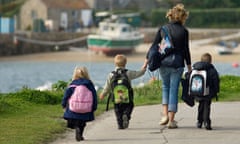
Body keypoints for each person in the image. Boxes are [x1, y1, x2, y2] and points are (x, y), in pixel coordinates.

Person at [143, 3, 192, 129]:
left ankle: (164, 115)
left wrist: (146, 61)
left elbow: (154, 46)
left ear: (170, 16)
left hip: (163, 63)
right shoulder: (184, 31)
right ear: (182, 17)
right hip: (177, 64)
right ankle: (171, 120)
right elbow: (186, 50)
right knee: (174, 90)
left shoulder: (163, 29)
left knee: (165, 87)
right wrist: (189, 66)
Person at [99, 54, 146, 129]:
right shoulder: (128, 73)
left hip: (116, 98)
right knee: (130, 106)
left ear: (115, 63)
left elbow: (107, 87)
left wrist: (102, 94)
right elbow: (139, 73)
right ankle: (126, 115)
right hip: (127, 97)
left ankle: (120, 125)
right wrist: (144, 66)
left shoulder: (111, 74)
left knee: (118, 111)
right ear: (125, 63)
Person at [62, 66, 97, 141]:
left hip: (73, 108)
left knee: (74, 121)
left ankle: (76, 128)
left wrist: (64, 104)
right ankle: (80, 134)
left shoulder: (73, 84)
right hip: (86, 108)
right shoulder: (89, 84)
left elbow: (66, 96)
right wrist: (94, 107)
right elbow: (94, 96)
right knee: (82, 123)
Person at [192, 53, 220, 130]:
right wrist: (217, 90)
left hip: (198, 91)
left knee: (200, 106)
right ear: (210, 61)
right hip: (208, 93)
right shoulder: (212, 70)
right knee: (207, 107)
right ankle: (207, 122)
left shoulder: (196, 68)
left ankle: (199, 122)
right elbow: (216, 81)